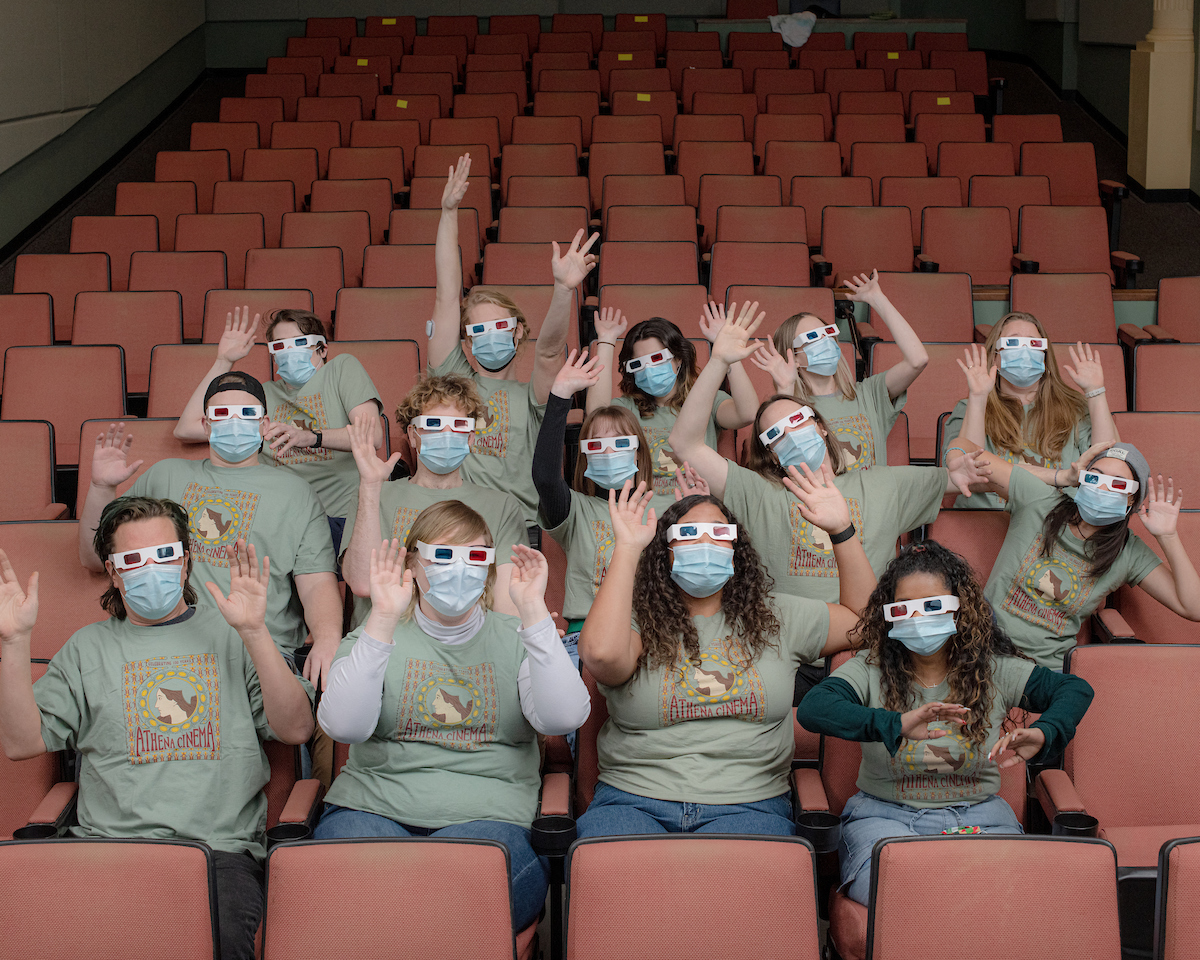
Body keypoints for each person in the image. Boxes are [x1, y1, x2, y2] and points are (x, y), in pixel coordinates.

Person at [0, 496, 315, 960]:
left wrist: (253, 632)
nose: (152, 569)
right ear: (113, 572)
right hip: (107, 849)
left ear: (186, 560)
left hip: (217, 854)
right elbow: (21, 742)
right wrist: (13, 643)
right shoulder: (86, 648)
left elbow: (296, 729)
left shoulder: (233, 633)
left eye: (165, 555)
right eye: (134, 560)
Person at [314, 502, 590, 932]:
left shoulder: (517, 638)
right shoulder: (373, 636)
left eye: (475, 557)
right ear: (412, 564)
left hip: (490, 821)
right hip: (371, 811)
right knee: (342, 894)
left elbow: (564, 717)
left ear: (489, 569)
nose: (458, 570)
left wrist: (533, 613)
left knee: (444, 903)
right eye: (443, 555)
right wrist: (383, 618)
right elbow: (344, 726)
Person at [574, 467, 875, 838]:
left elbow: (866, 624)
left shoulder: (777, 615)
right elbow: (601, 657)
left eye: (719, 533)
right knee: (613, 882)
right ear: (664, 552)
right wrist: (628, 547)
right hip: (634, 799)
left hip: (751, 801)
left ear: (736, 549)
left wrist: (841, 531)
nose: (704, 544)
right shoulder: (635, 619)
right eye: (687, 534)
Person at [797, 540, 1094, 905]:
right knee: (906, 895)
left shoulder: (994, 669)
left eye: (933, 606)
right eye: (905, 609)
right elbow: (815, 708)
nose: (919, 619)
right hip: (886, 818)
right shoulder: (870, 667)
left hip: (979, 819)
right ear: (889, 613)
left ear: (959, 610)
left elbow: (1074, 690)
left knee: (1011, 895)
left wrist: (1046, 733)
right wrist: (895, 724)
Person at [79, 372, 342, 689]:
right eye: (221, 413)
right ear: (205, 425)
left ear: (263, 425)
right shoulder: (165, 475)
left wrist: (327, 639)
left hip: (254, 653)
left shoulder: (297, 493)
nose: (234, 422)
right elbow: (95, 559)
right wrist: (101, 488)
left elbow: (315, 583)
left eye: (247, 414)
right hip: (159, 644)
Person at [949, 385, 1200, 667]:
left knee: (1077, 696)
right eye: (1095, 477)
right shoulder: (1040, 500)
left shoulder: (1128, 552)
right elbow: (967, 452)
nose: (1103, 488)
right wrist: (1061, 476)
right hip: (984, 653)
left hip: (1044, 672)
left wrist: (1168, 536)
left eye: (1117, 484)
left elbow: (1194, 607)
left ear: (1132, 497)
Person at [427, 154, 598, 535]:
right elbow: (445, 294)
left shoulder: (533, 397)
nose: (490, 335)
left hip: (519, 529)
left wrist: (562, 291)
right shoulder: (453, 377)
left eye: (500, 325)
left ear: (519, 331)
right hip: (456, 526)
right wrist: (449, 213)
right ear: (467, 340)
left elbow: (551, 351)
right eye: (479, 330)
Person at [532, 347, 709, 662]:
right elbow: (545, 478)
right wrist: (560, 396)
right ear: (584, 455)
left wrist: (698, 511)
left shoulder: (667, 510)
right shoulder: (574, 509)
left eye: (621, 443)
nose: (609, 453)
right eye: (597, 445)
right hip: (585, 635)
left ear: (639, 451)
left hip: (656, 635)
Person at [174, 307, 384, 545]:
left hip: (338, 518)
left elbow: (372, 436)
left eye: (299, 342)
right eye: (280, 346)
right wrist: (224, 361)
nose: (289, 351)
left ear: (322, 348)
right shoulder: (261, 395)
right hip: (279, 518)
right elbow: (186, 429)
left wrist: (310, 437)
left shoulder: (341, 369)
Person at [341, 374, 528, 624]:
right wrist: (370, 486)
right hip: (385, 643)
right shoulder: (373, 494)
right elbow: (362, 584)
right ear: (412, 434)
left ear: (471, 438)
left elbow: (505, 605)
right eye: (433, 423)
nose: (446, 433)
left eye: (459, 425)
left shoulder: (502, 507)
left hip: (468, 647)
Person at [751, 270, 928, 471]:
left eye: (828, 334)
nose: (824, 342)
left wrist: (877, 299)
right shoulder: (795, 413)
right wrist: (785, 387)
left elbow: (918, 360)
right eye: (812, 338)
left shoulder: (870, 393)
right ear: (794, 357)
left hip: (875, 501)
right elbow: (789, 470)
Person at [942, 312, 1118, 508]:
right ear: (994, 356)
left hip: (1058, 521)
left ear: (1045, 356)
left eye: (1034, 344)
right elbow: (965, 471)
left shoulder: (1074, 407)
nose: (1024, 351)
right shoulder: (969, 407)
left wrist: (1096, 392)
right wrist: (978, 397)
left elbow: (1112, 465)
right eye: (1013, 343)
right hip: (986, 521)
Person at [585, 303, 759, 497]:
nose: (649, 369)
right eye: (638, 364)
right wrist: (606, 341)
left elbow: (748, 413)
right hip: (645, 511)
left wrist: (728, 356)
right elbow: (595, 415)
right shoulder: (627, 409)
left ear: (678, 359)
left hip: (697, 508)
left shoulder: (708, 401)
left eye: (657, 358)